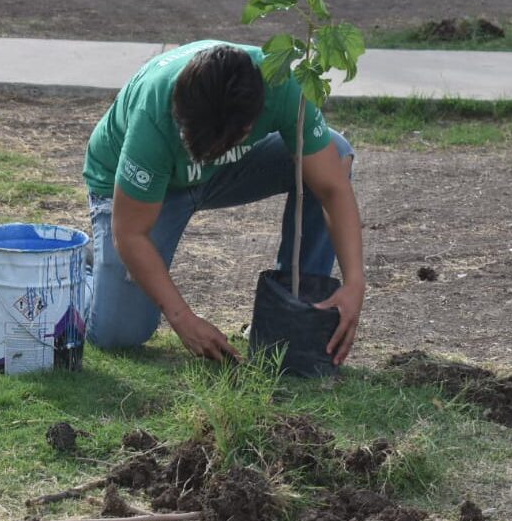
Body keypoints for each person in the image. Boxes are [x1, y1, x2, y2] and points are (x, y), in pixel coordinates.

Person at [82, 40, 364, 364]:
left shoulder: (280, 83)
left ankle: (295, 310)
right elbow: (131, 234)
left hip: (222, 171)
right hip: (140, 190)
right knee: (119, 335)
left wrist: (355, 281)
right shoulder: (154, 113)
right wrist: (183, 319)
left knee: (334, 155)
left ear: (247, 128)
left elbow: (332, 189)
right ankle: (84, 264)